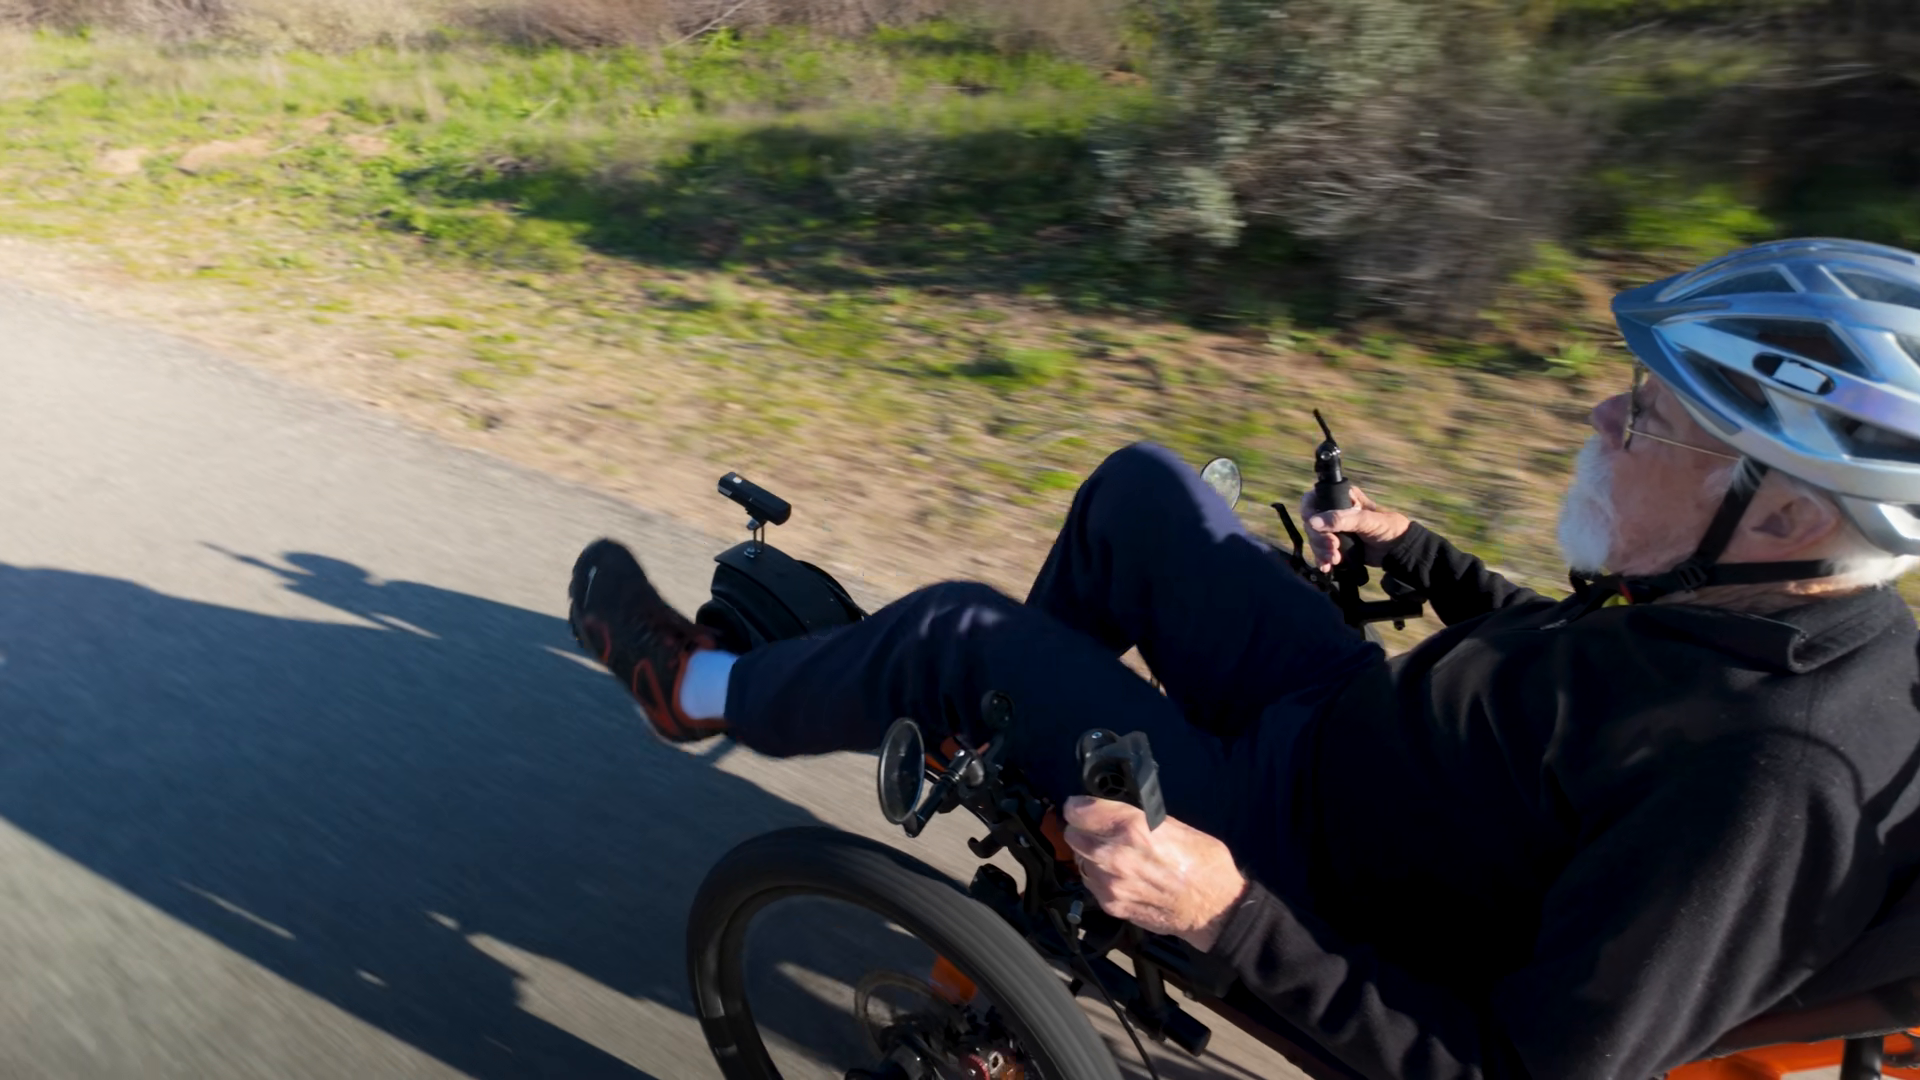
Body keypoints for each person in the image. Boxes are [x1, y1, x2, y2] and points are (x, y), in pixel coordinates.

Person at [565, 238, 1920, 1079]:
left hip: (1298, 863)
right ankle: (1023, 776)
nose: (1604, 419)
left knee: (955, 635)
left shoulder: (1772, 783)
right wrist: (1418, 551)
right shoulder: (1759, 604)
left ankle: (694, 692)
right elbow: (1587, 687)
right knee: (1142, 493)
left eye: (1655, 418)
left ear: (1787, 515)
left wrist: (1224, 913)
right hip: (1349, 734)